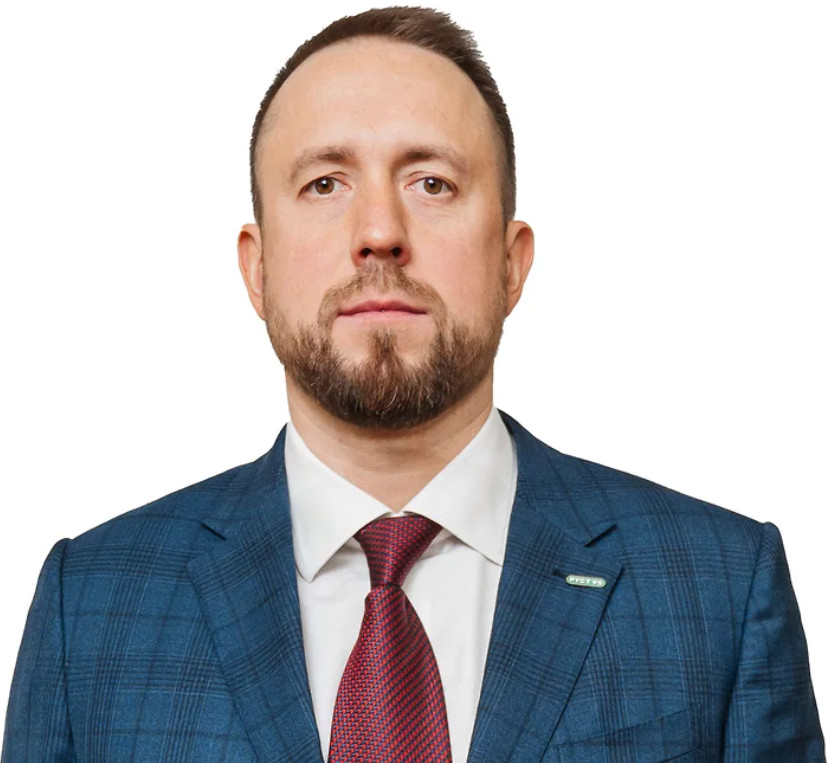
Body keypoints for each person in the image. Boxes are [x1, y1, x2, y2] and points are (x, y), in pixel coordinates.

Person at [2, 6, 823, 761]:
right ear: (257, 268)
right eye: (324, 183)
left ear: (511, 262)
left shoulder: (718, 590)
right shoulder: (92, 606)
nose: (379, 232)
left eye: (431, 182)